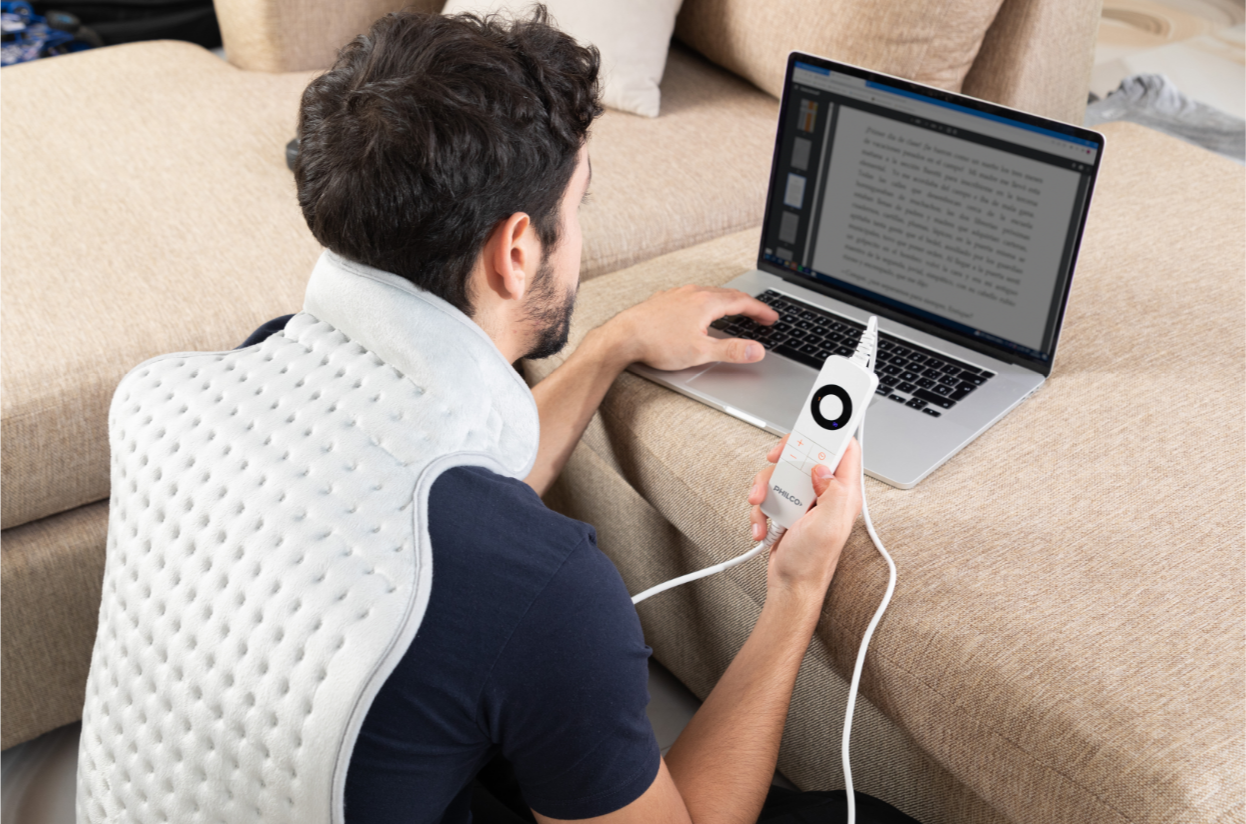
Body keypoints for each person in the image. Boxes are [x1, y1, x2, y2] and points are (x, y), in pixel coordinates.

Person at [243, 7, 920, 824]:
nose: (579, 237)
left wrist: (614, 343)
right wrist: (797, 588)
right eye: (578, 207)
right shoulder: (545, 586)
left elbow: (443, 512)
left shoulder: (249, 372)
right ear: (517, 252)